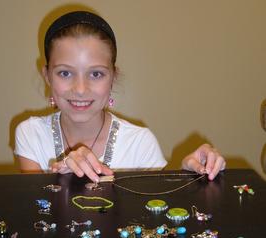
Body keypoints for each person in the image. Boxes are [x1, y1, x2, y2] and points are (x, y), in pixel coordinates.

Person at [14, 10, 225, 183]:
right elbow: (34, 211)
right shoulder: (31, 134)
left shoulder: (139, 143)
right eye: (65, 73)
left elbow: (157, 204)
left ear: (113, 77)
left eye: (96, 74)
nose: (80, 89)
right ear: (47, 76)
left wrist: (185, 174)